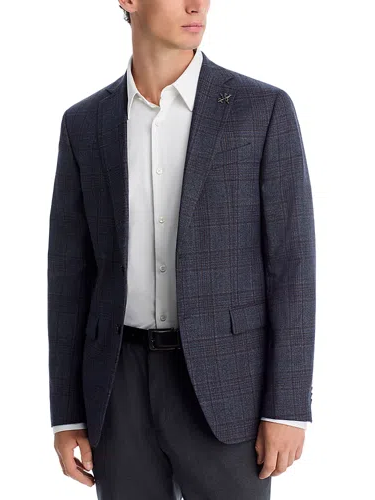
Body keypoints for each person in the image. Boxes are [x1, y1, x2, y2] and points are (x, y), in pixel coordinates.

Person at [47, 1, 316, 498]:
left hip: (227, 387)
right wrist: (66, 415)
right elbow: (69, 276)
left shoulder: (262, 110)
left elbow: (292, 265)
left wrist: (287, 405)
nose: (197, 5)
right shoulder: (85, 123)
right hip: (116, 388)